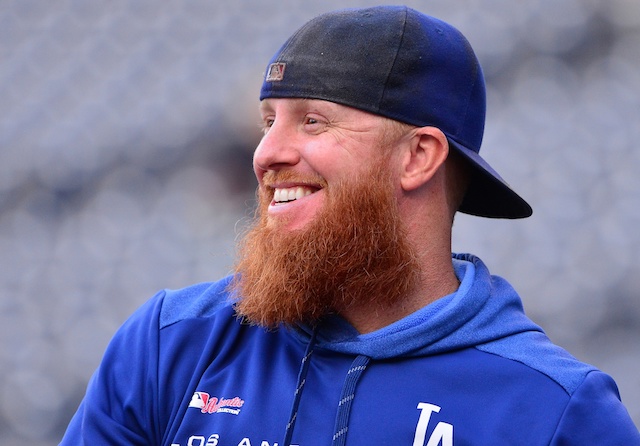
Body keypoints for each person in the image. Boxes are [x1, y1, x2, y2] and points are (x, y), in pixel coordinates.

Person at [60, 5, 640, 445]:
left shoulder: (554, 410)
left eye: (313, 122)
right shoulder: (171, 345)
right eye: (268, 122)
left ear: (418, 157)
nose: (265, 154)